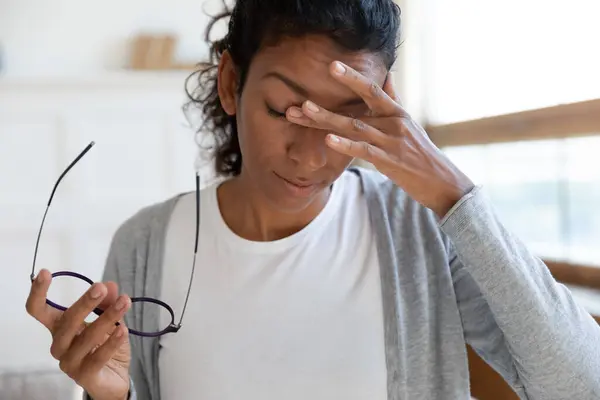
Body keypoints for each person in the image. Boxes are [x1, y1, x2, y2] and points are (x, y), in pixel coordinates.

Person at [25, 0, 600, 399]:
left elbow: (582, 386)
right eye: (281, 110)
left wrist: (452, 193)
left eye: (345, 119)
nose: (309, 156)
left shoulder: (422, 230)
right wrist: (110, 396)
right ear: (231, 84)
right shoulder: (145, 243)